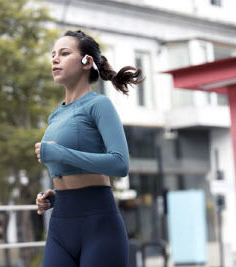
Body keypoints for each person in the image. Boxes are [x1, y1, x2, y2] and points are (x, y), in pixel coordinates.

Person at [34, 29, 145, 267]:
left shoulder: (99, 105)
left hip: (99, 227)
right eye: (53, 54)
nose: (55, 59)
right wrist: (53, 196)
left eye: (64, 53)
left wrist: (58, 153)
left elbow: (120, 164)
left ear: (87, 62)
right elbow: (71, 171)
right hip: (61, 223)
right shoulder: (56, 115)